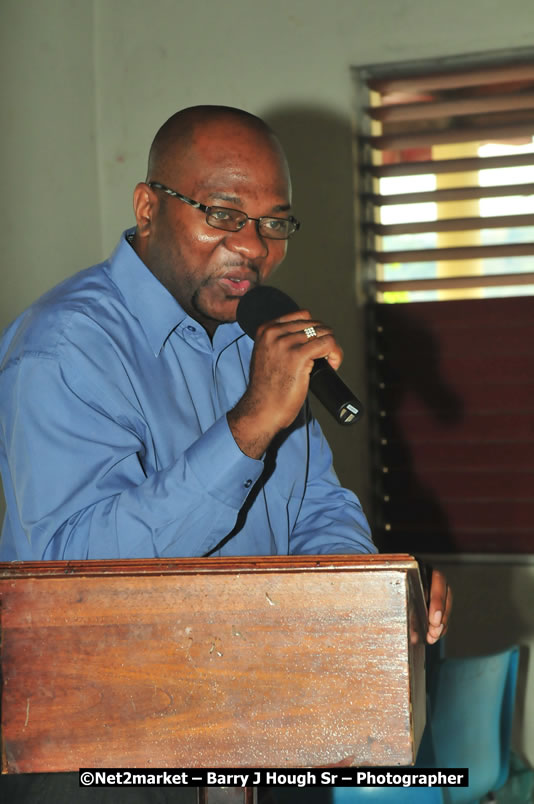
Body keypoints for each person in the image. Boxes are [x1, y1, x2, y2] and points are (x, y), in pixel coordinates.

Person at [0, 106, 450, 797]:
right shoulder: (64, 347)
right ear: (148, 208)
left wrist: (372, 604)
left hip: (262, 730)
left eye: (275, 223)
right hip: (109, 747)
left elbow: (317, 509)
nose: (253, 246)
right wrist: (245, 429)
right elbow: (69, 577)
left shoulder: (260, 336)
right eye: (222, 213)